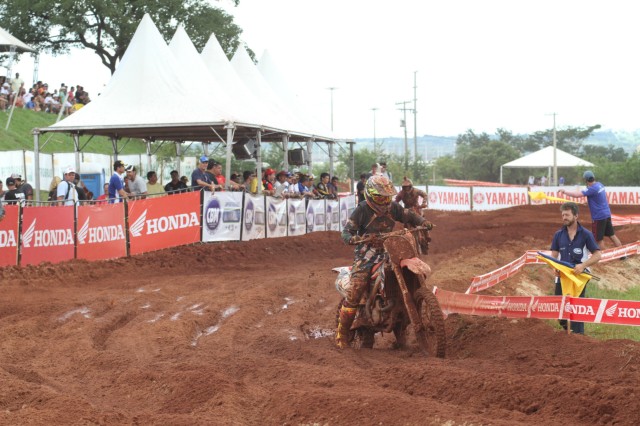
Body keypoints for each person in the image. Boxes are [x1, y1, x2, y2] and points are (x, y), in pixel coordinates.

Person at [336, 175, 430, 349]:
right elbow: (346, 232)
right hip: (366, 253)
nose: (385, 201)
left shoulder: (392, 207)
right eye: (381, 197)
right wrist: (355, 238)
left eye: (387, 197)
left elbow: (407, 214)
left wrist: (423, 221)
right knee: (357, 288)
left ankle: (401, 323)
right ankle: (342, 334)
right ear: (370, 195)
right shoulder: (362, 210)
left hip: (389, 249)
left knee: (407, 273)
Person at [550, 202, 602, 334]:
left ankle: (579, 338)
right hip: (562, 277)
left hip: (580, 276)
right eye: (563, 215)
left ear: (576, 216)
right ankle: (570, 333)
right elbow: (554, 255)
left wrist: (583, 265)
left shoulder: (586, 234)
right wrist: (554, 267)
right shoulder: (558, 235)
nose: (564, 217)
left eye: (567, 214)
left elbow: (598, 255)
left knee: (576, 309)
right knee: (560, 311)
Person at [558, 170, 623, 250]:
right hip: (606, 214)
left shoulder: (591, 189)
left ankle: (602, 256)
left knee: (598, 240)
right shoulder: (600, 185)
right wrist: (589, 201)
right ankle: (623, 254)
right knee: (612, 235)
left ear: (586, 180)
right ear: (593, 177)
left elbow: (577, 195)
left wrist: (564, 191)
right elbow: (598, 198)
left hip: (598, 217)